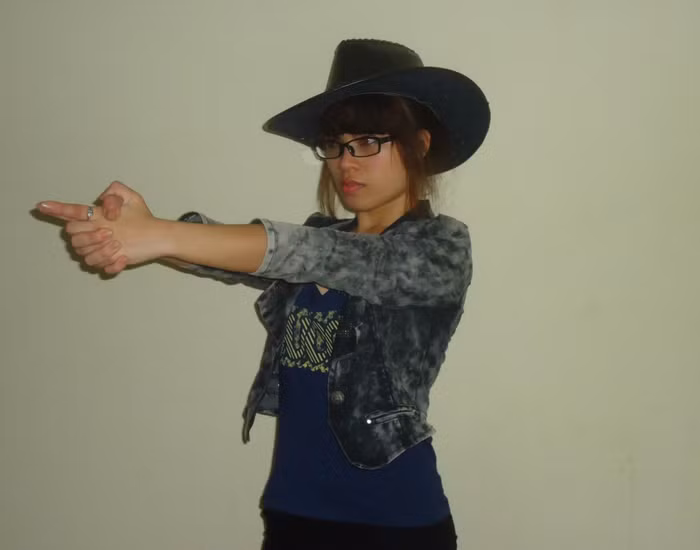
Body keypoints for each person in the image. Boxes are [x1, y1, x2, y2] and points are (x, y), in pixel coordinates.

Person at [36, 38, 490, 550]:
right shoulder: (322, 236)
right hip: (293, 512)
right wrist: (139, 231)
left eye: (367, 141)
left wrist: (159, 235)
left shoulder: (438, 249)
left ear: (419, 145)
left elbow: (311, 254)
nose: (346, 162)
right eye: (335, 143)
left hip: (395, 523)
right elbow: (234, 257)